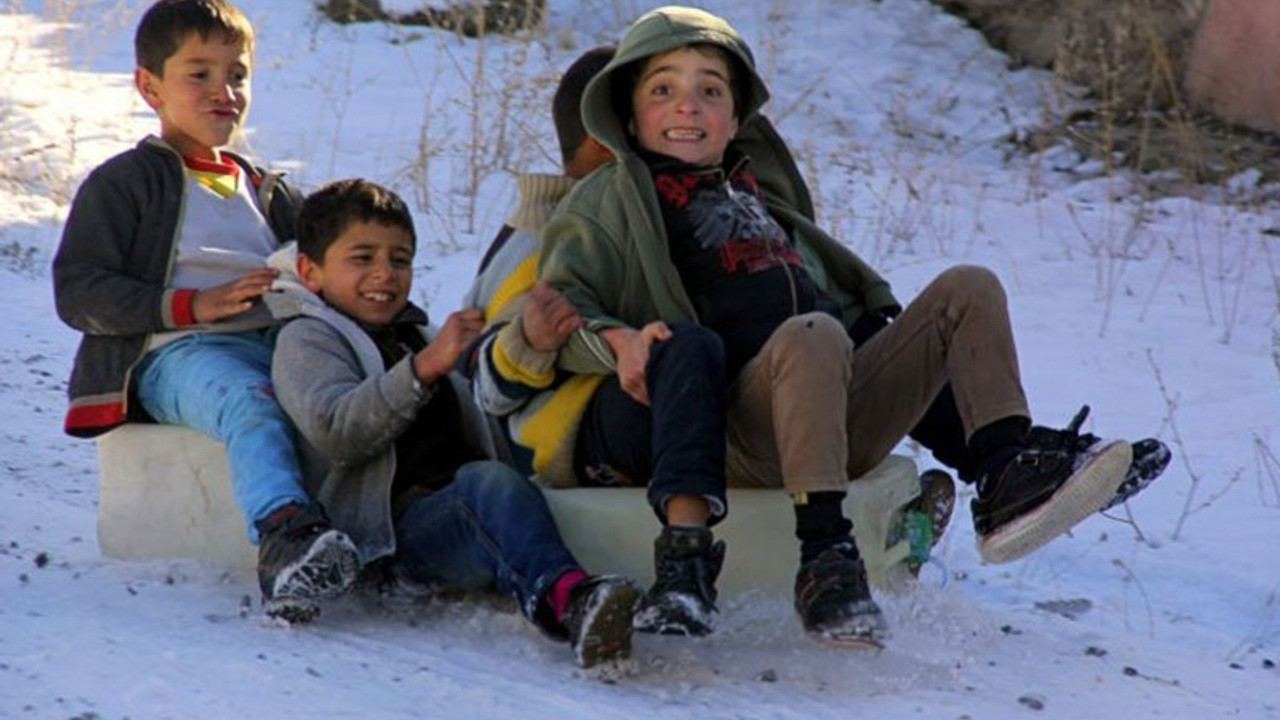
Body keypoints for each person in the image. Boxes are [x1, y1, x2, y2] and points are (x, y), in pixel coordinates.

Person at [534, 6, 1171, 647]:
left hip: (831, 416)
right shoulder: (611, 201)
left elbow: (855, 308)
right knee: (814, 335)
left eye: (710, 90)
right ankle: (826, 561)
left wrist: (893, 343)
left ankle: (1007, 473)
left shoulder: (759, 202)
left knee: (967, 287)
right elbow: (561, 304)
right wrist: (616, 342)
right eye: (663, 90)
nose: (688, 107)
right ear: (629, 112)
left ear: (735, 117)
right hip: (735, 431)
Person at [51, 0, 358, 623]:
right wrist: (194, 304)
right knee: (252, 402)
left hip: (280, 341)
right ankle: (285, 537)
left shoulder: (268, 189)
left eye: (237, 75)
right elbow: (79, 291)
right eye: (200, 74)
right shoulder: (125, 183)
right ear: (149, 86)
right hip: (177, 352)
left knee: (356, 395)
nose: (225, 91)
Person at [267, 178, 639, 668]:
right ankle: (569, 601)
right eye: (363, 258)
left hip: (457, 506)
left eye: (399, 260)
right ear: (310, 272)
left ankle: (573, 589)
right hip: (394, 539)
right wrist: (424, 370)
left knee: (490, 481)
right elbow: (337, 431)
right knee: (482, 488)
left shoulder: (414, 333)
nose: (385, 274)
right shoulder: (306, 339)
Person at [461, 45, 616, 480]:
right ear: (603, 141)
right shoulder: (545, 241)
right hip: (549, 467)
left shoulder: (596, 224)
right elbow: (480, 384)